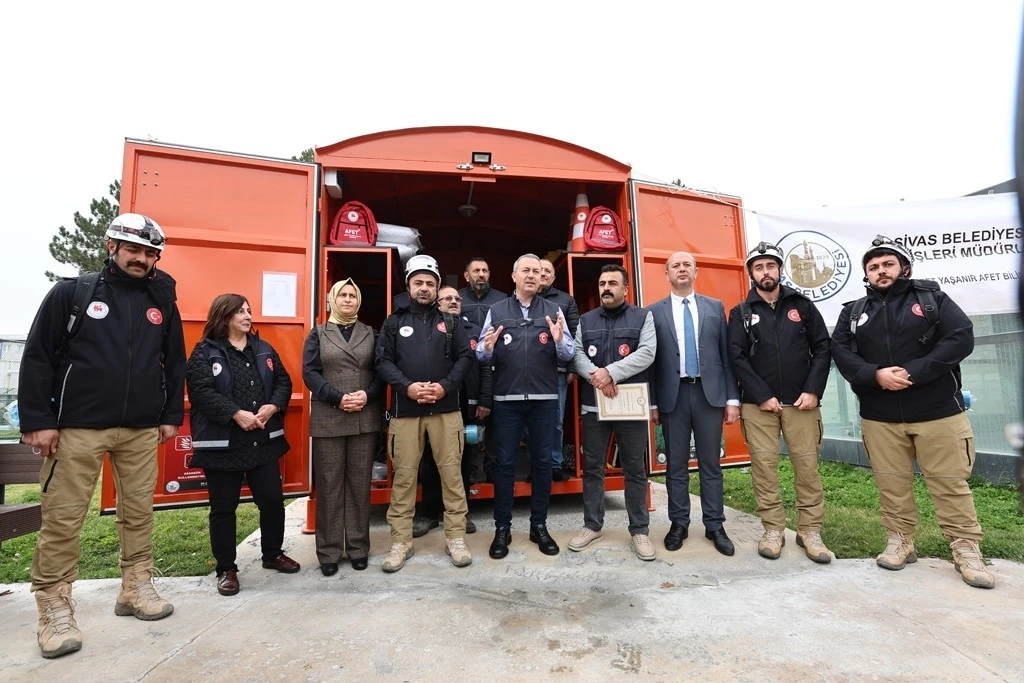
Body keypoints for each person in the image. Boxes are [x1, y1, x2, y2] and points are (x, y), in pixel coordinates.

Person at [18, 213, 185, 659]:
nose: (141, 259)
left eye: (150, 253)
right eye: (133, 249)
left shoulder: (161, 300)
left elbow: (174, 360)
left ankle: (135, 587)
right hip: (77, 426)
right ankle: (54, 608)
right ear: (112, 246)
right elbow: (37, 356)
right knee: (63, 517)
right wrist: (38, 420)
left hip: (140, 427)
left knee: (139, 512)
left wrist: (169, 414)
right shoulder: (73, 293)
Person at [831, 235, 994, 589]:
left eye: (888, 264)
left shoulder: (932, 299)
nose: (880, 271)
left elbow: (961, 337)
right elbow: (841, 353)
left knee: (950, 484)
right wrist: (875, 375)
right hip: (879, 416)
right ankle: (900, 540)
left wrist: (913, 372)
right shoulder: (853, 312)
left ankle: (966, 548)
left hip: (938, 413)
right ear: (866, 275)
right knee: (891, 483)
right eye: (873, 267)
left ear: (904, 267)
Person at [727, 242, 834, 563]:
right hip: (758, 406)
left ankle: (810, 531)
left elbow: (823, 347)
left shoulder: (802, 305)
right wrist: (761, 395)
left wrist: (813, 389)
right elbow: (736, 357)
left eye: (770, 266)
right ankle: (773, 529)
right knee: (764, 469)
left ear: (780, 269)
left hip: (802, 404)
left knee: (807, 468)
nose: (766, 272)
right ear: (751, 274)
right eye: (758, 267)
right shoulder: (741, 312)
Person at [185, 294, 298, 597]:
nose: (248, 316)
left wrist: (274, 406)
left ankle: (272, 554)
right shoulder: (204, 352)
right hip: (224, 446)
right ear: (224, 316)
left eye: (249, 311)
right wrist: (236, 414)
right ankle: (226, 568)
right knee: (224, 508)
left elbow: (283, 382)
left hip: (262, 441)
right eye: (240, 312)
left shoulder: (264, 348)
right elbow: (200, 392)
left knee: (272, 500)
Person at [375, 255, 475, 572]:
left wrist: (445, 387)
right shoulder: (394, 322)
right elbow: (382, 362)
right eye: (418, 282)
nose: (424, 288)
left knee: (452, 476)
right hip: (406, 412)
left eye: (430, 283)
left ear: (437, 288)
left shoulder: (452, 323)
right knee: (404, 478)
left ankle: (455, 538)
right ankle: (401, 542)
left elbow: (465, 358)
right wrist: (407, 388)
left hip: (446, 410)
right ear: (408, 287)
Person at [477, 253, 574, 559]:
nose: (532, 275)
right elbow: (481, 353)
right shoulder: (497, 310)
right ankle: (502, 528)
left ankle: (539, 526)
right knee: (505, 464)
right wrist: (487, 349)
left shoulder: (553, 310)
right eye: (526, 271)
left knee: (543, 463)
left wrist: (559, 341)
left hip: (544, 401)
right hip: (507, 401)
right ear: (514, 276)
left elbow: (569, 353)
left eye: (537, 271)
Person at [649, 251, 740, 556]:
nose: (682, 269)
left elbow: (726, 357)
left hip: (708, 395)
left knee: (710, 464)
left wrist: (731, 398)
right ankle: (679, 524)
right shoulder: (654, 312)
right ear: (667, 274)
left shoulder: (714, 307)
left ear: (696, 271)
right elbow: (652, 363)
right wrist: (652, 403)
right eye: (675, 265)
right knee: (675, 464)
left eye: (687, 264)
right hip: (672, 397)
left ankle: (715, 525)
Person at [568, 265, 658, 560]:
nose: (606, 288)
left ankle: (640, 530)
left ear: (625, 289)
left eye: (612, 283)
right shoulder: (585, 320)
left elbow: (647, 352)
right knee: (593, 468)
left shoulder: (643, 317)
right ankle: (592, 525)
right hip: (594, 406)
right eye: (602, 283)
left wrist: (611, 373)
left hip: (629, 405)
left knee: (634, 469)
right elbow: (577, 354)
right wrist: (597, 376)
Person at [302, 278, 384, 575]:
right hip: (330, 417)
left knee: (359, 485)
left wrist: (368, 394)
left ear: (358, 301)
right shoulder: (318, 333)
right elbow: (309, 372)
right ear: (332, 300)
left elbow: (381, 370)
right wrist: (337, 398)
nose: (348, 299)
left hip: (364, 416)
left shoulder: (371, 333)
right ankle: (329, 552)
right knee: (329, 485)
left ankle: (359, 548)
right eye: (342, 295)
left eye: (352, 295)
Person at [412, 285, 492, 537]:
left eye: (457, 298)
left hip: (466, 405)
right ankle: (428, 514)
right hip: (434, 404)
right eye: (448, 298)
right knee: (431, 459)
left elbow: (485, 367)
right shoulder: (426, 329)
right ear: (437, 303)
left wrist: (484, 401)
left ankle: (460, 513)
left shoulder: (475, 331)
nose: (454, 301)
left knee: (463, 460)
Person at [539, 257, 580, 481]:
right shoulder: (523, 298)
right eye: (540, 270)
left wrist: (573, 366)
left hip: (558, 371)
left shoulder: (566, 300)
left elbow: (576, 334)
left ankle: (555, 464)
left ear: (554, 277)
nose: (543, 274)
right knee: (531, 421)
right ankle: (537, 464)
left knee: (556, 420)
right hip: (529, 371)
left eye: (548, 271)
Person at [458, 257, 507, 329]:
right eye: (476, 271)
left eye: (484, 271)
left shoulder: (502, 299)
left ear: (488, 275)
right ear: (467, 276)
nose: (481, 274)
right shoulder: (457, 298)